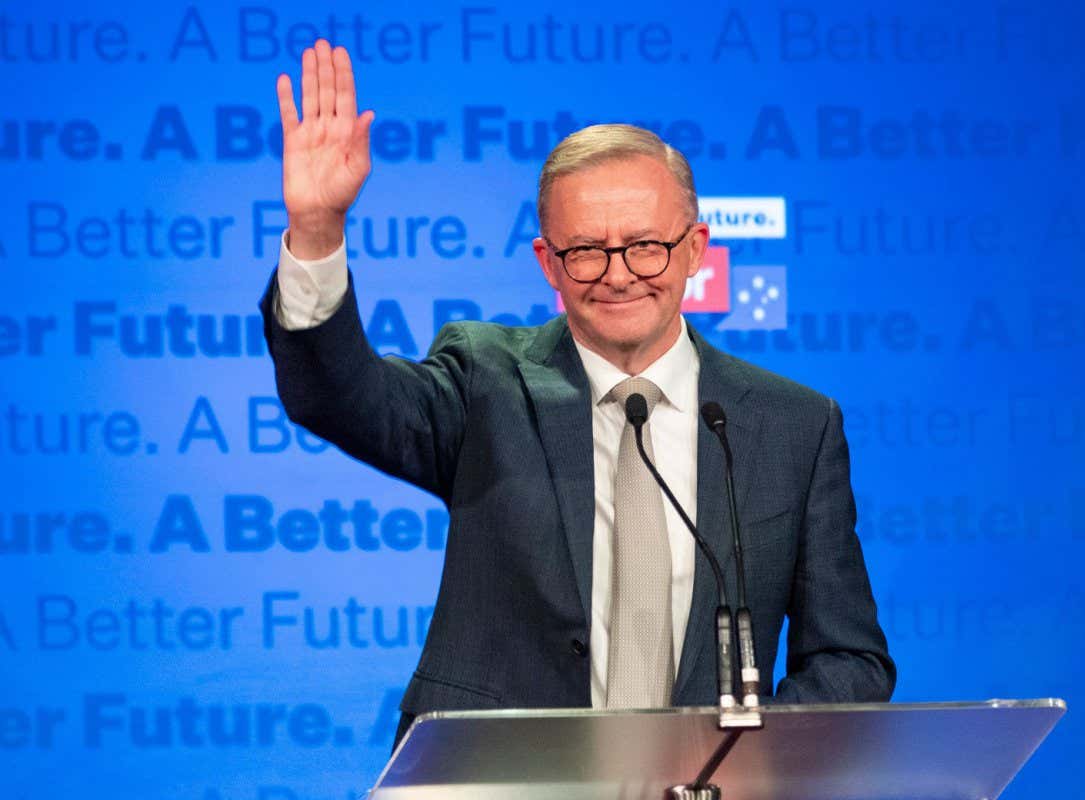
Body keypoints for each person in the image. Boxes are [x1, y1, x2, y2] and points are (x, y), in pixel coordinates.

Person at [261, 39, 895, 749]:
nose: (619, 274)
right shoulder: (485, 383)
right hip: (499, 784)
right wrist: (318, 231)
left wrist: (742, 753)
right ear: (548, 264)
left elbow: (849, 658)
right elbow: (338, 398)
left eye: (646, 245)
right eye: (586, 250)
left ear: (694, 249)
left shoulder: (792, 425)